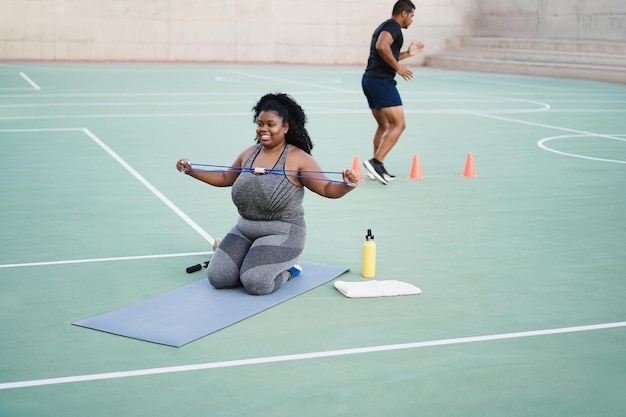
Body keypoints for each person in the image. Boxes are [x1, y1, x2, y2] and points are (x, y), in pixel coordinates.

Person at [176, 93, 359, 295]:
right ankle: (250, 259)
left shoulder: (298, 158)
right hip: (245, 229)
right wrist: (190, 170)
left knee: (256, 282)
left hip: (282, 233)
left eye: (270, 124)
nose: (263, 129)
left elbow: (326, 189)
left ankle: (290, 270)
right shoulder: (249, 153)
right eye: (260, 123)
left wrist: (347, 185)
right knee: (218, 277)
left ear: (285, 127)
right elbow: (226, 177)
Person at [361, 0, 425, 185]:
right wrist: (399, 68)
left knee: (384, 125)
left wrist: (407, 54)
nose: (412, 20)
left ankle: (376, 169)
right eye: (411, 15)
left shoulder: (385, 26)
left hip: (370, 80)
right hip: (381, 82)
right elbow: (382, 46)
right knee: (399, 123)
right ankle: (376, 162)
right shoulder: (393, 26)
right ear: (403, 14)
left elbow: (385, 51)